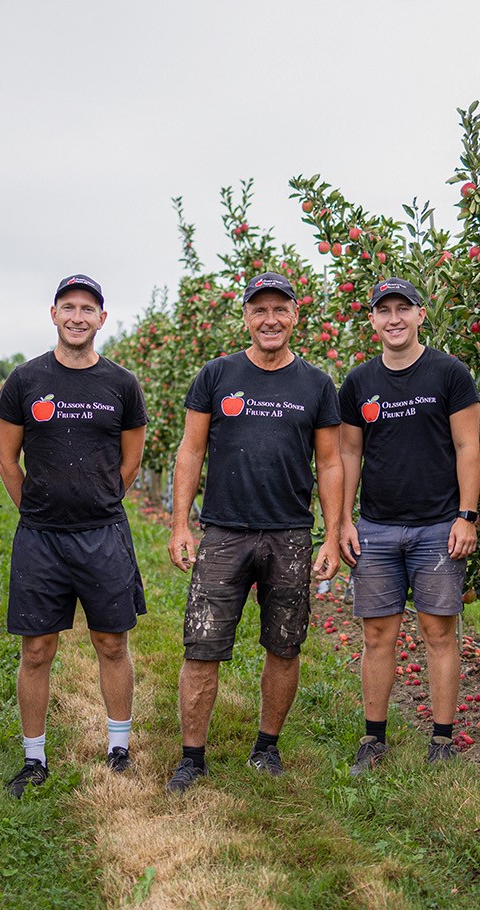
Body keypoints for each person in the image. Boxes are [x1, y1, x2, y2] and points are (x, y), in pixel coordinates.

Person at [165, 272, 343, 792]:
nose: (270, 319)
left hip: (288, 533)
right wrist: (180, 523)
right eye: (259, 310)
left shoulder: (316, 384)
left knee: (284, 646)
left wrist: (331, 537)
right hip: (223, 532)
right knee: (202, 645)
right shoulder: (217, 375)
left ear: (295, 316)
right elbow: (190, 451)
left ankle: (267, 747)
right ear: (245, 317)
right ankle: (192, 758)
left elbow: (329, 464)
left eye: (279, 309)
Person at [0, 274, 149, 797]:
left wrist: (100, 499)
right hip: (41, 537)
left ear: (101, 319)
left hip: (103, 533)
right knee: (36, 649)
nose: (78, 316)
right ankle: (33, 758)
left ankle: (119, 747)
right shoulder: (24, 380)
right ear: (54, 314)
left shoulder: (121, 385)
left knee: (111, 641)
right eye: (69, 307)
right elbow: (6, 459)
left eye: (88, 308)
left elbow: (131, 460)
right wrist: (37, 509)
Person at [337, 277, 480, 773]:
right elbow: (349, 452)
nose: (393, 318)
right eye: (384, 310)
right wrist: (343, 521)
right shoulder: (358, 382)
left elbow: (467, 447)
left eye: (403, 308)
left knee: (439, 633)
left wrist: (466, 515)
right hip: (375, 528)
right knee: (378, 635)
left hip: (438, 527)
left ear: (421, 314)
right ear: (373, 321)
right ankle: (373, 738)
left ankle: (442, 739)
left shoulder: (449, 373)